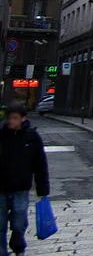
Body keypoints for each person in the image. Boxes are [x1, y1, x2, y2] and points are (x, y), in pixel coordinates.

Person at [0, 103, 49, 255]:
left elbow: (40, 164)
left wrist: (42, 189)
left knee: (19, 222)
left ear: (22, 119)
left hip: (21, 188)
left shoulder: (31, 137)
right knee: (0, 223)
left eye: (15, 118)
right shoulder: (1, 135)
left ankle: (18, 246)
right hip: (1, 187)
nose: (11, 121)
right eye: (9, 118)